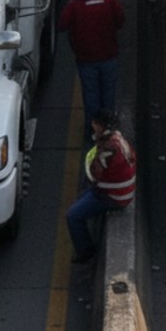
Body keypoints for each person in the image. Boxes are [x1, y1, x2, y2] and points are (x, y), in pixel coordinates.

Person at [65, 108, 137, 264]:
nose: (93, 125)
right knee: (82, 196)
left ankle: (85, 251)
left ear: (102, 127)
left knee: (72, 216)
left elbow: (95, 173)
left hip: (113, 196)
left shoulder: (107, 149)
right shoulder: (117, 138)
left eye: (95, 124)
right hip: (121, 191)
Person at [58, 0, 125, 128]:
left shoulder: (74, 6)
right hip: (109, 57)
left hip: (86, 60)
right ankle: (109, 127)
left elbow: (62, 25)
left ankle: (94, 129)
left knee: (91, 96)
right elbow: (120, 21)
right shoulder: (110, 0)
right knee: (108, 94)